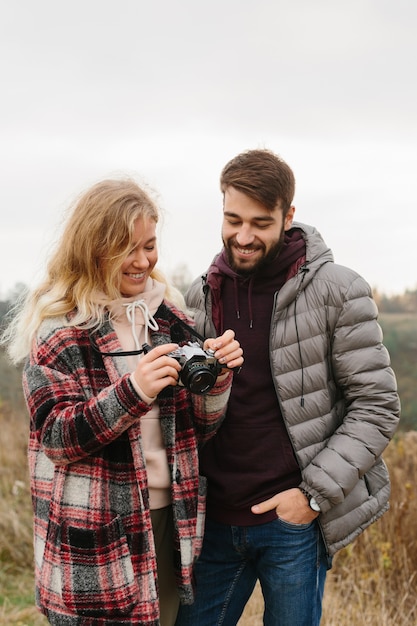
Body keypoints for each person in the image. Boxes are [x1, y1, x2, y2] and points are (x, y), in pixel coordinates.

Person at [1, 178, 243, 626]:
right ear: (94, 249)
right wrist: (135, 390)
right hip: (94, 525)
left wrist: (218, 379)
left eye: (149, 246)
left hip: (171, 516)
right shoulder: (59, 333)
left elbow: (200, 429)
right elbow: (58, 436)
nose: (142, 261)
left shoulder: (170, 320)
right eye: (126, 249)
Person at [175, 149, 400, 626]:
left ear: (288, 216)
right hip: (213, 520)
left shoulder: (337, 290)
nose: (243, 235)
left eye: (260, 222)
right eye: (232, 219)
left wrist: (312, 496)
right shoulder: (199, 295)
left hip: (291, 522)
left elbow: (376, 406)